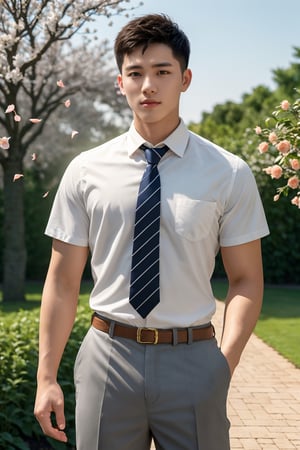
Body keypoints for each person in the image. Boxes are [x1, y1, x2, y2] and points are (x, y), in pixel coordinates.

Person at [34, 13, 269, 450]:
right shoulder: (85, 171)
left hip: (195, 360)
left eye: (163, 72)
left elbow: (246, 279)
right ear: (119, 82)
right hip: (108, 356)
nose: (149, 86)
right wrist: (46, 377)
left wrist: (223, 365)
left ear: (185, 78)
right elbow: (62, 282)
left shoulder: (228, 173)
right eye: (135, 73)